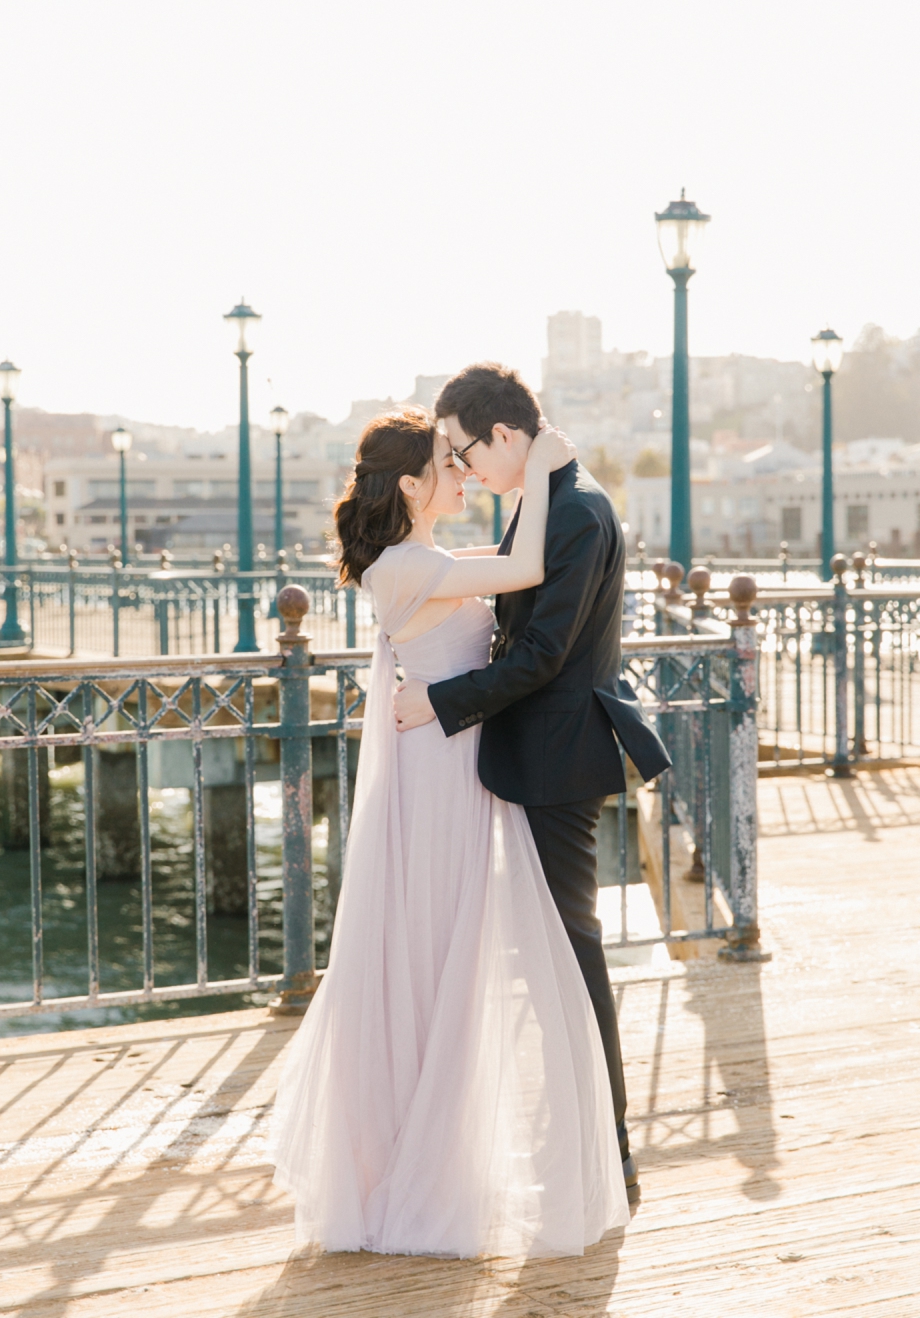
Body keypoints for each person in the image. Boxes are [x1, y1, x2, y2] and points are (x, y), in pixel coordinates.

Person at [268, 406, 630, 1258]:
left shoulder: (419, 559)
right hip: (436, 778)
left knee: (444, 959)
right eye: (446, 462)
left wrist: (534, 476)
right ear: (410, 486)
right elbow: (528, 565)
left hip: (450, 764)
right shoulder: (409, 566)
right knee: (435, 959)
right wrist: (541, 469)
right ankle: (416, 1164)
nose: (461, 473)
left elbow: (514, 574)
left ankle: (419, 1151)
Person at [394, 363, 672, 1201]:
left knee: (570, 949)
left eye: (466, 450)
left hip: (557, 757)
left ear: (505, 436)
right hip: (529, 749)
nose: (465, 469)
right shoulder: (544, 498)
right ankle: (581, 1135)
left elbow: (545, 655)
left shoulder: (577, 510)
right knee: (546, 948)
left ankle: (607, 1148)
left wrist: (437, 702)